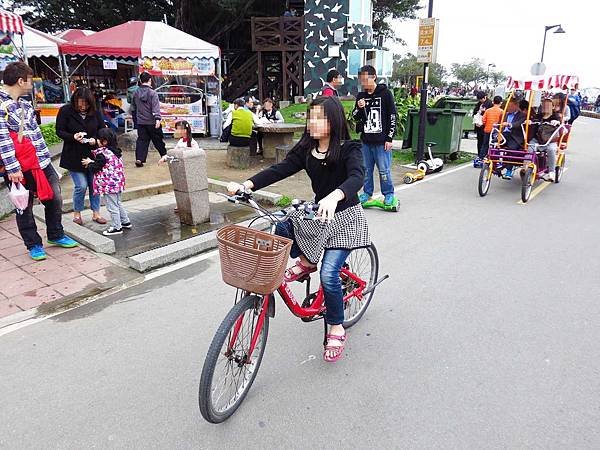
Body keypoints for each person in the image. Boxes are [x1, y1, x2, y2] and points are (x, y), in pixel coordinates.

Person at [227, 96, 370, 363]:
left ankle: (336, 326)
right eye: (310, 116)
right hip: (319, 215)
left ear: (334, 120)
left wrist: (335, 195)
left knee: (329, 275)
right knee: (281, 228)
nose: (312, 122)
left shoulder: (350, 148)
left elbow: (357, 177)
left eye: (320, 117)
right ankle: (306, 261)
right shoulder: (307, 148)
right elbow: (280, 169)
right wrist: (247, 184)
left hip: (345, 217)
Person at [0, 62, 78, 261]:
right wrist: (12, 168)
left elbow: (36, 135)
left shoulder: (25, 103)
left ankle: (56, 234)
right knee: (24, 206)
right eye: (30, 80)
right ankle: (33, 244)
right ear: (20, 81)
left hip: (41, 162)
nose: (32, 84)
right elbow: (2, 139)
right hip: (19, 167)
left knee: (54, 198)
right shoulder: (1, 105)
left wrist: (47, 161)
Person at [56, 87, 108, 226]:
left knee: (94, 185)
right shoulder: (65, 111)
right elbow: (59, 131)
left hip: (92, 155)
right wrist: (72, 136)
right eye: (80, 104)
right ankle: (77, 213)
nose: (83, 107)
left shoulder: (95, 112)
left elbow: (103, 130)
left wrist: (95, 140)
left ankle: (96, 213)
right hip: (73, 155)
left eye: (86, 104)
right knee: (81, 186)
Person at [352, 65, 398, 206]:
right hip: (366, 141)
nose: (364, 83)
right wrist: (359, 108)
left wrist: (389, 138)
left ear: (374, 77)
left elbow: (392, 116)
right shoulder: (361, 96)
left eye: (366, 80)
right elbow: (354, 116)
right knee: (366, 170)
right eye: (362, 80)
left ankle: (388, 194)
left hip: (382, 141)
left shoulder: (385, 94)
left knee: (384, 170)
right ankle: (367, 192)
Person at [81, 128, 131, 236]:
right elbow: (104, 164)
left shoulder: (102, 154)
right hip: (117, 182)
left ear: (104, 141)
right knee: (118, 203)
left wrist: (89, 163)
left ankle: (116, 227)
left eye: (98, 139)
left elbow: (96, 167)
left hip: (109, 184)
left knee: (112, 206)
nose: (96, 141)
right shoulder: (115, 151)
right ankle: (125, 221)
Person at [132, 72, 167, 167]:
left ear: (140, 81)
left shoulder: (136, 92)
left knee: (142, 141)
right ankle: (164, 155)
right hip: (152, 122)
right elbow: (155, 107)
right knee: (158, 140)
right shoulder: (153, 93)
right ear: (150, 80)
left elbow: (134, 107)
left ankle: (139, 159)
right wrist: (157, 119)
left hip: (141, 122)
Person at [527, 98, 561, 182]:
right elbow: (532, 121)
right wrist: (529, 121)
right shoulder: (538, 116)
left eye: (548, 105)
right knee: (530, 148)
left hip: (550, 140)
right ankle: (527, 167)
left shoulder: (556, 116)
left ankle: (551, 172)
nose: (545, 107)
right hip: (537, 139)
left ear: (553, 107)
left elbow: (559, 122)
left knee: (551, 149)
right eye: (544, 105)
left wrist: (556, 122)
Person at [479, 95, 503, 160]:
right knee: (496, 145)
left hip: (487, 130)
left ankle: (481, 158)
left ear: (493, 102)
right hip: (497, 131)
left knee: (485, 145)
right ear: (501, 102)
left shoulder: (488, 111)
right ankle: (495, 158)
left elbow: (483, 120)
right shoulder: (501, 112)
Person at [473, 91, 493, 156]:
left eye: (481, 99)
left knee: (485, 142)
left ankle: (484, 155)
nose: (481, 100)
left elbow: (489, 115)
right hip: (478, 125)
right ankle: (479, 155)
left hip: (485, 126)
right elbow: (474, 112)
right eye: (479, 99)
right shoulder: (479, 104)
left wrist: (482, 112)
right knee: (480, 141)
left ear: (485, 97)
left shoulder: (490, 104)